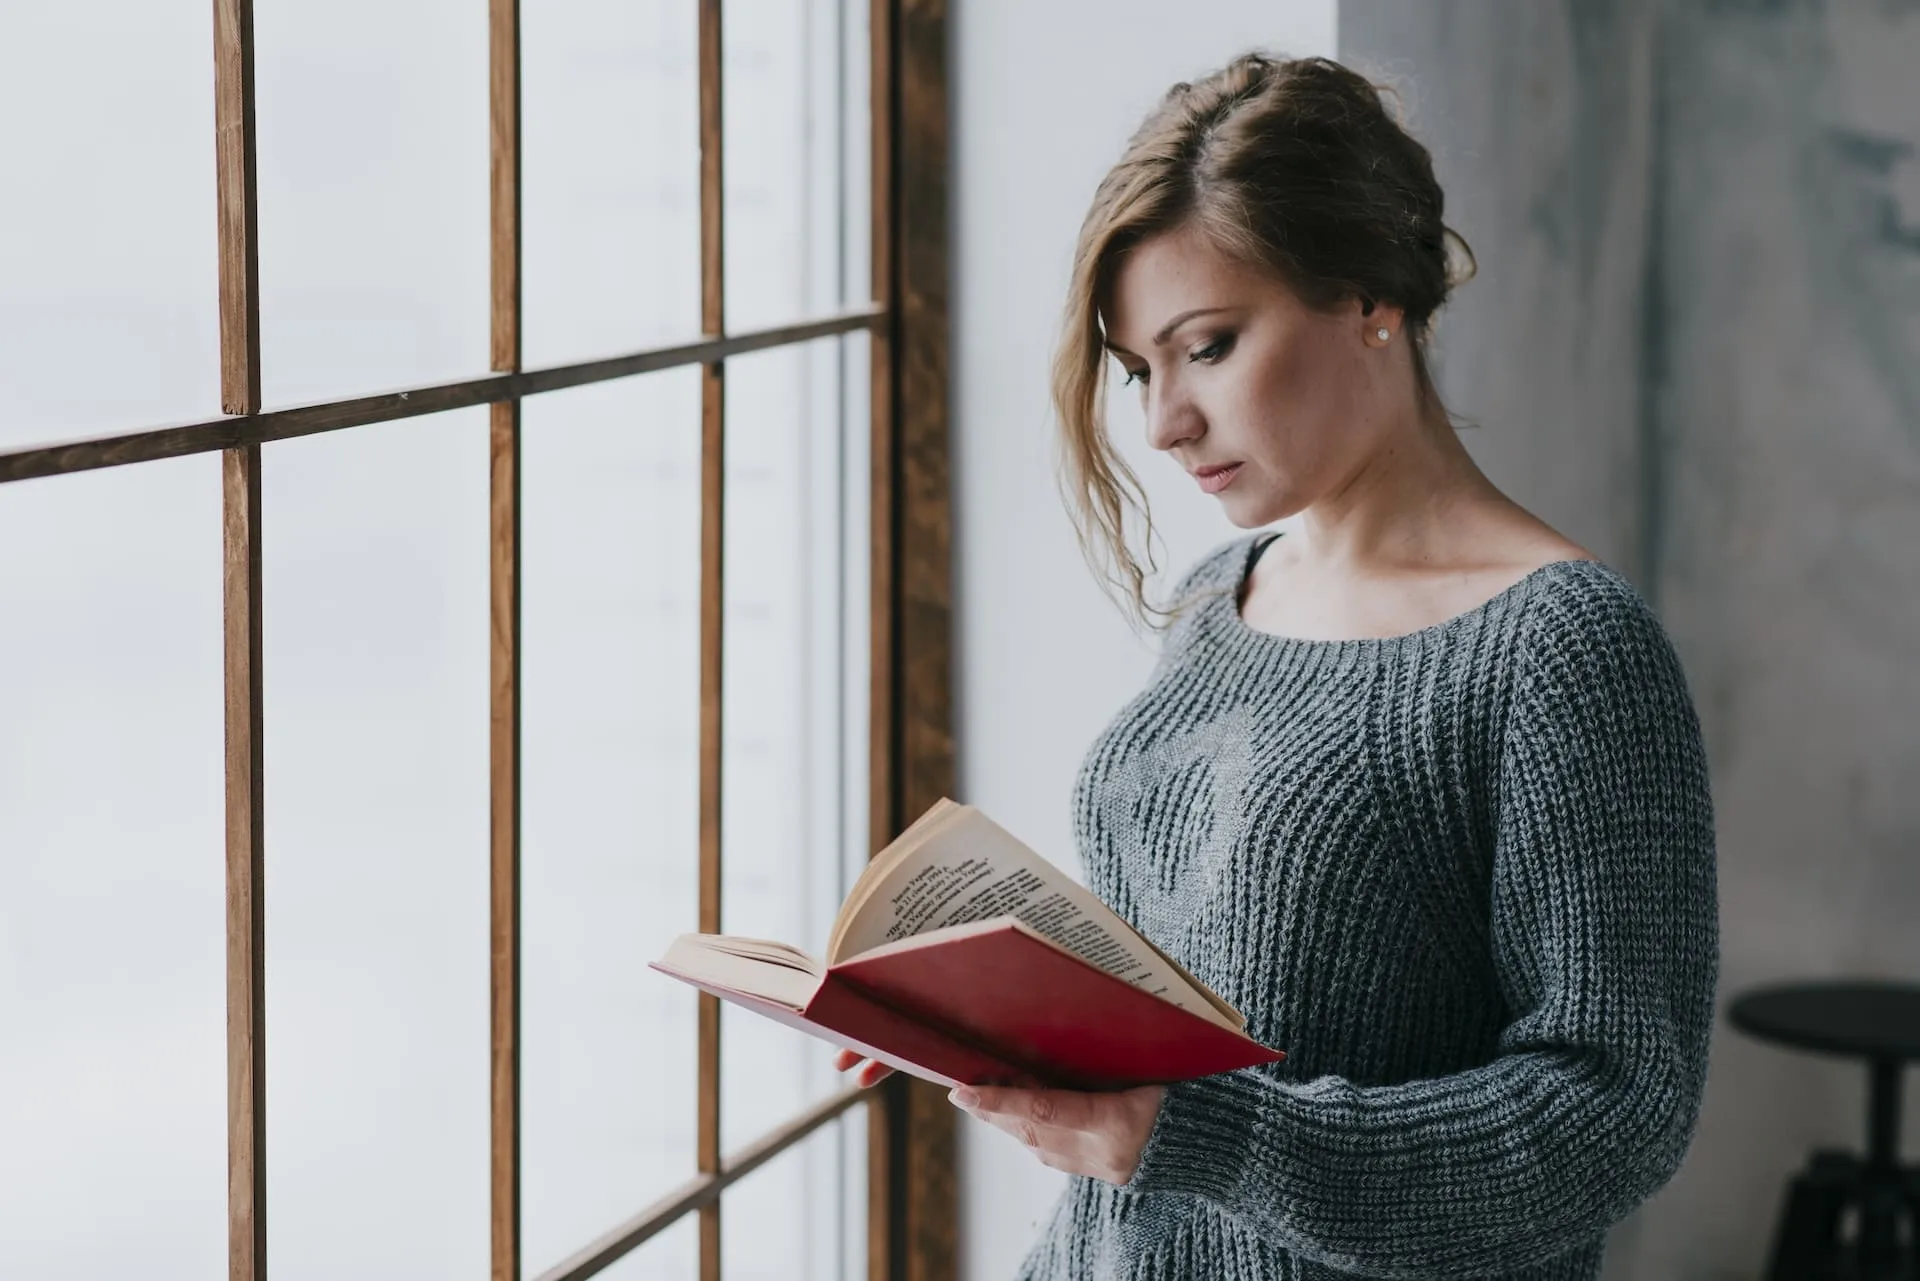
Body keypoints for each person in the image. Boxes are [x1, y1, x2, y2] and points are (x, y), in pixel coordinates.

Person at [836, 51, 1718, 1281]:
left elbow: (1611, 1113)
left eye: (1207, 346)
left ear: (1370, 295)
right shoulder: (1220, 598)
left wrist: (1198, 1134)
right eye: (1141, 370)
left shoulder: (1563, 651)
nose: (1162, 423)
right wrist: (986, 1016)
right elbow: (1187, 1012)